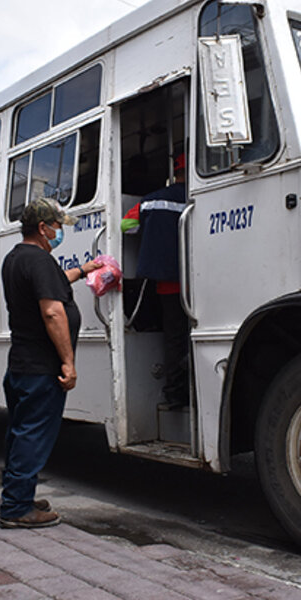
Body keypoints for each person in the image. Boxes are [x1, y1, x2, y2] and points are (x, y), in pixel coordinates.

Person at [0, 197, 102, 529]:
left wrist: (83, 270)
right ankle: (16, 508)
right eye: (58, 226)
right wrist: (68, 363)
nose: (60, 232)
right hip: (41, 367)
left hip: (21, 364)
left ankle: (20, 494)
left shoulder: (17, 258)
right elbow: (51, 311)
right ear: (43, 228)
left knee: (20, 432)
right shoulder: (41, 262)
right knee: (32, 436)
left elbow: (50, 284)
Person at [121, 153, 190, 409]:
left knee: (174, 339)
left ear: (175, 171)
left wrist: (151, 231)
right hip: (202, 281)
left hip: (168, 284)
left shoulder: (151, 201)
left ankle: (175, 394)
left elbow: (126, 226)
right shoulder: (203, 198)